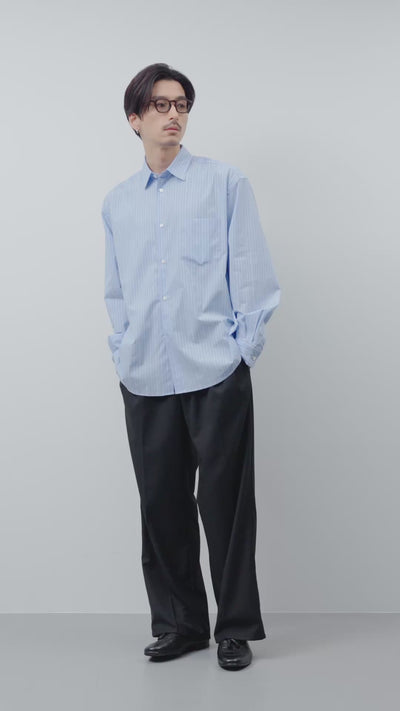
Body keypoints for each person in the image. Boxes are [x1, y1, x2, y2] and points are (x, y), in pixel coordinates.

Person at [101, 63, 280, 670]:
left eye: (181, 104)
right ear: (135, 119)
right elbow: (117, 290)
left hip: (215, 371)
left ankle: (235, 629)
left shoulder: (224, 183)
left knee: (226, 506)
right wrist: (123, 348)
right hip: (145, 375)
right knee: (161, 506)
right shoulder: (117, 203)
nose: (173, 114)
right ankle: (180, 625)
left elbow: (251, 271)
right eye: (160, 105)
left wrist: (241, 353)